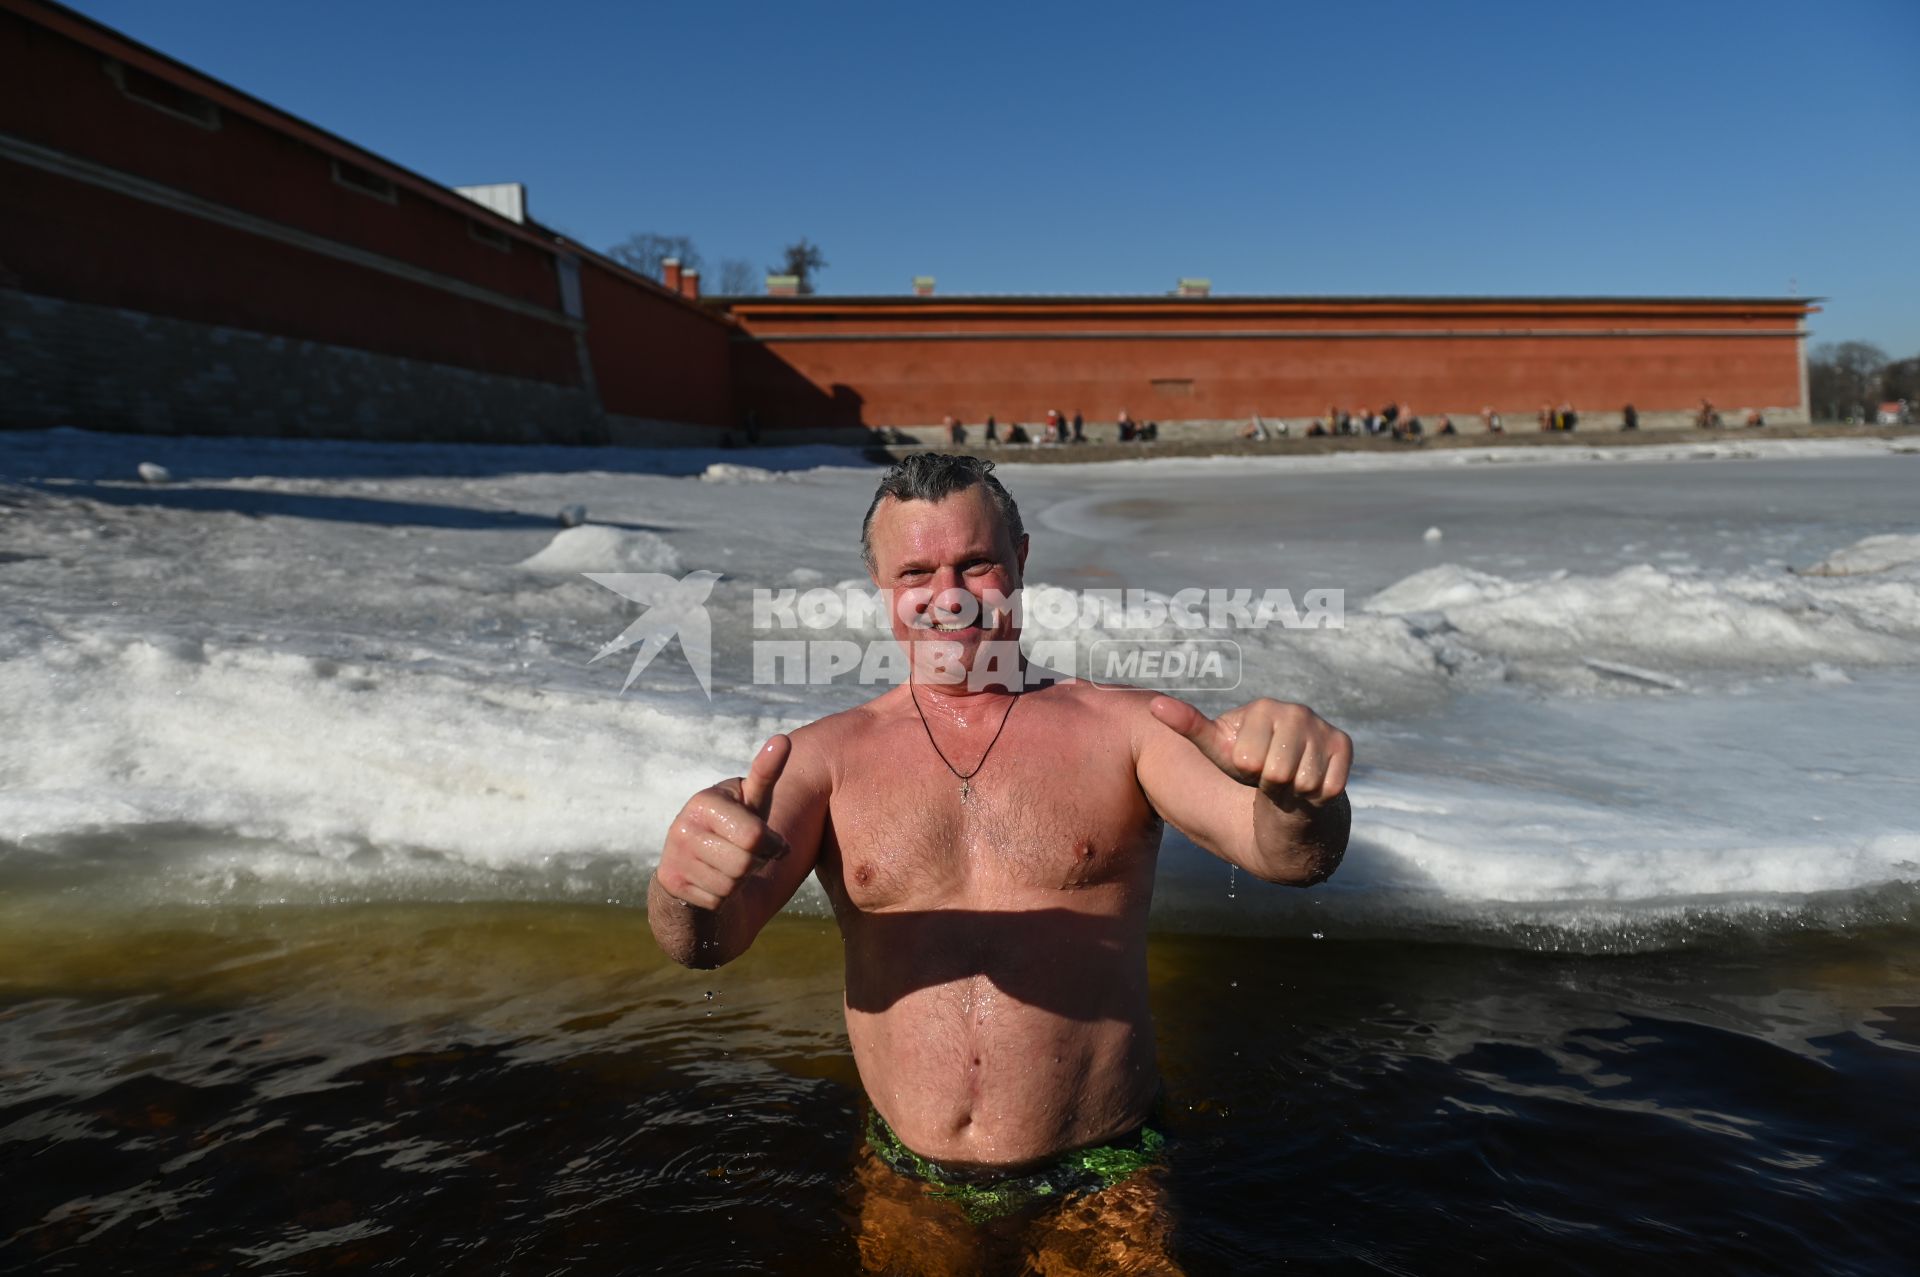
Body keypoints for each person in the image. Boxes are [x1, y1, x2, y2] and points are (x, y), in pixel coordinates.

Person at [649, 455, 1352, 1267]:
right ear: (881, 584)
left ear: (1020, 558)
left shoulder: (1127, 729)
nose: (948, 595)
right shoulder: (823, 761)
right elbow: (703, 941)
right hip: (910, 1178)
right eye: (917, 570)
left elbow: (1287, 855)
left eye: (975, 564)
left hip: (1104, 1172)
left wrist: (1303, 801)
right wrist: (685, 889)